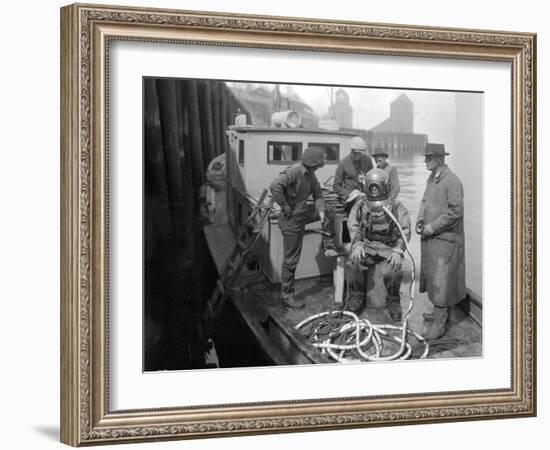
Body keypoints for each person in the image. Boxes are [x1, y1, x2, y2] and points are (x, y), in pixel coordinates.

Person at [346, 168, 411, 320]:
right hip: (367, 245)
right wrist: (356, 245)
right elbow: (353, 226)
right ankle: (357, 296)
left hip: (388, 247)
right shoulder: (361, 205)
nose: (374, 190)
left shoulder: (396, 207)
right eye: (371, 187)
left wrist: (398, 250)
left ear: (385, 186)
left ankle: (393, 300)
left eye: (377, 187)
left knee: (394, 270)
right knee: (354, 262)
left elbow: (405, 231)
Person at [416, 143, 466, 340]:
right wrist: (420, 219)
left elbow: (456, 212)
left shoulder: (452, 181)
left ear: (440, 159)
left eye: (429, 158)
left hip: (445, 240)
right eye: (426, 157)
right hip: (432, 238)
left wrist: (432, 226)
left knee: (442, 280)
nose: (425, 161)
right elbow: (425, 201)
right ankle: (438, 313)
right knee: (434, 278)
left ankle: (439, 323)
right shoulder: (432, 178)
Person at [269, 147, 327, 308]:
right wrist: (284, 205)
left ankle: (329, 244)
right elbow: (274, 186)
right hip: (291, 222)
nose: (317, 169)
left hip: (301, 217)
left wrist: (321, 212)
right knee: (291, 260)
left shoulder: (311, 176)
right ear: (310, 164)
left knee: (330, 210)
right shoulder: (295, 171)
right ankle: (287, 296)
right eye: (316, 167)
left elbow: (319, 196)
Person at [333, 136, 374, 212]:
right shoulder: (343, 163)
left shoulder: (367, 160)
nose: (357, 156)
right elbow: (336, 186)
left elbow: (372, 179)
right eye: (355, 153)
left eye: (359, 153)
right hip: (350, 198)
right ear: (351, 150)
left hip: (365, 195)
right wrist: (349, 193)